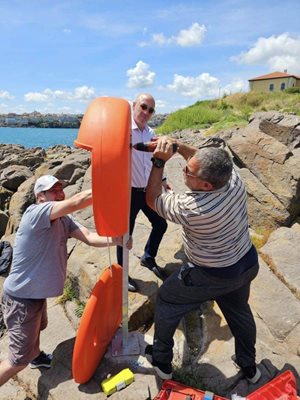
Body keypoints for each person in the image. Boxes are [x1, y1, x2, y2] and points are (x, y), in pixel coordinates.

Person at [144, 137, 261, 384]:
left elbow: (152, 198)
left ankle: (162, 361)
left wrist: (159, 162)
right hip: (245, 262)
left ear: (206, 185)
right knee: (239, 312)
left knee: (167, 298)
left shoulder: (192, 207)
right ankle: (249, 366)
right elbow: (208, 161)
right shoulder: (233, 180)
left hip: (211, 274)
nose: (184, 170)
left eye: (188, 172)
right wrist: (178, 147)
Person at [0, 175, 130, 387]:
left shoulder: (63, 220)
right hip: (21, 299)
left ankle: (37, 357)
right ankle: (28, 359)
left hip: (35, 295)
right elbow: (77, 201)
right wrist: (113, 187)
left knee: (37, 329)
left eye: (61, 189)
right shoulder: (36, 213)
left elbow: (88, 236)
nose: (60, 194)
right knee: (16, 361)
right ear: (40, 196)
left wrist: (116, 240)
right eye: (54, 191)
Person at [116, 93, 168, 292]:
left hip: (147, 191)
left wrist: (163, 181)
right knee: (124, 236)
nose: (146, 112)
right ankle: (122, 274)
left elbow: (151, 162)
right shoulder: (123, 131)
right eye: (143, 107)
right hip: (128, 193)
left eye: (151, 110)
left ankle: (148, 257)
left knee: (160, 224)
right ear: (134, 105)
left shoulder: (150, 132)